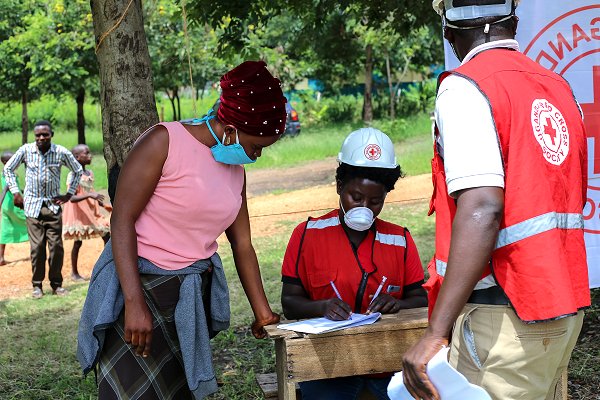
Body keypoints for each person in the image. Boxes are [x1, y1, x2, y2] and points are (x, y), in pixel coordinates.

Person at [401, 1, 590, 399]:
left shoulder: (465, 87)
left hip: (501, 320)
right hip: (561, 309)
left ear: (448, 33)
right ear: (514, 22)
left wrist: (436, 330)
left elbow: (483, 207)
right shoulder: (558, 86)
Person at [77, 60, 286, 400]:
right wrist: (133, 303)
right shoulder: (164, 141)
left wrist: (263, 312)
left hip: (188, 299)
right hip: (141, 290)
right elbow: (122, 220)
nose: (257, 156)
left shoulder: (234, 168)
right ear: (231, 128)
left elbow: (243, 244)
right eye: (256, 146)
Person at [281, 128, 428, 400]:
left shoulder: (400, 239)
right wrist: (322, 307)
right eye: (356, 198)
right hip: (329, 366)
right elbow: (290, 303)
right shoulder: (307, 234)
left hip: (389, 363)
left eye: (375, 201)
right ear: (339, 187)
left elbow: (420, 297)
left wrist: (399, 304)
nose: (365, 208)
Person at [3, 120, 83, 298]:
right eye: (38, 135)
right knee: (37, 248)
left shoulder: (60, 152)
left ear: (51, 135)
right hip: (32, 207)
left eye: (45, 134)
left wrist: (69, 194)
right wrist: (16, 192)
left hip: (53, 207)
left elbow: (77, 170)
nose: (41, 138)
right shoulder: (26, 150)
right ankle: (37, 285)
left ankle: (56, 284)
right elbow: (8, 169)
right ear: (34, 136)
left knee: (56, 247)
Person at [62, 144, 110, 281]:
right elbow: (71, 197)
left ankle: (107, 267)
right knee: (78, 242)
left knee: (106, 235)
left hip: (90, 211)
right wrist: (90, 196)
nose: (90, 155)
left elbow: (89, 190)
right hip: (79, 213)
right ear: (77, 157)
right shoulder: (73, 175)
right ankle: (74, 273)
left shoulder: (89, 173)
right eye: (86, 153)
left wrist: (100, 203)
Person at [0, 151, 29, 265]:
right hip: (13, 206)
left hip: (7, 206)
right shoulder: (9, 174)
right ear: (6, 162)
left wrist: (24, 191)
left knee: (5, 230)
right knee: (31, 224)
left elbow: (13, 188)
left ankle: (1, 258)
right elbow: (6, 189)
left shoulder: (5, 173)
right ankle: (35, 253)